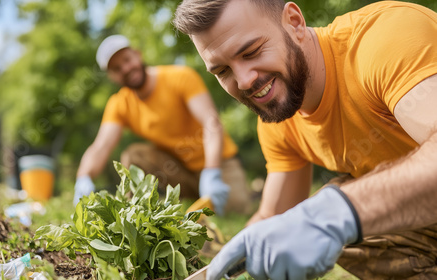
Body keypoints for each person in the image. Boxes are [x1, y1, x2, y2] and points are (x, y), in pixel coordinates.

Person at [173, 0, 437, 279]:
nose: (244, 81)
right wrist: (212, 268)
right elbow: (273, 221)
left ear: (295, 22)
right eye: (222, 71)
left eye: (251, 52)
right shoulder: (279, 118)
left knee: (338, 204)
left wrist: (333, 214)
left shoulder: (386, 37)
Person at [73, 34, 252, 216]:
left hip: (218, 163)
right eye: (117, 68)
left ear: (137, 55)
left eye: (127, 60)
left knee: (234, 210)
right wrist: (83, 177)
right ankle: (134, 216)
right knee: (134, 156)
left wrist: (212, 172)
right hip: (176, 170)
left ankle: (211, 190)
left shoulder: (180, 77)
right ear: (112, 76)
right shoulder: (120, 104)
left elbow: (211, 123)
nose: (126, 69)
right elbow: (101, 146)